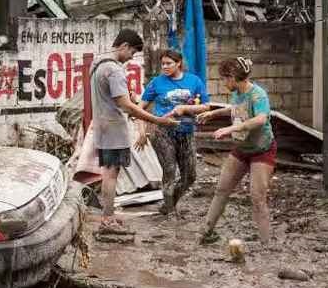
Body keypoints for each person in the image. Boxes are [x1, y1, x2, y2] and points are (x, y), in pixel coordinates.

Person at [91, 29, 179, 236]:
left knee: (109, 173)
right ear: (124, 46)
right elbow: (127, 106)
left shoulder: (97, 65)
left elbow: (115, 98)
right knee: (111, 174)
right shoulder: (114, 70)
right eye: (132, 53)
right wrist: (157, 120)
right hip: (113, 128)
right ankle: (107, 220)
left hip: (102, 126)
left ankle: (108, 217)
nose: (131, 58)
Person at [197, 57, 276, 246]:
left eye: (224, 79)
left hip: (262, 150)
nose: (224, 83)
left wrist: (231, 128)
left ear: (232, 77)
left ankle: (266, 244)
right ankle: (206, 233)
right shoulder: (238, 93)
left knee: (257, 197)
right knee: (221, 189)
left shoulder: (258, 95)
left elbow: (261, 119)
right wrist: (214, 113)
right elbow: (235, 108)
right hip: (242, 148)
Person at [135, 49, 210, 214]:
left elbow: (206, 106)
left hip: (186, 132)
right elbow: (139, 108)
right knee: (169, 171)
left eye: (169, 63)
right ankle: (169, 210)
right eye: (162, 64)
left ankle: (169, 205)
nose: (165, 67)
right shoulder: (156, 82)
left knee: (190, 176)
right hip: (162, 133)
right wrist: (141, 132)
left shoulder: (194, 81)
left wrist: (185, 108)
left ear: (179, 63)